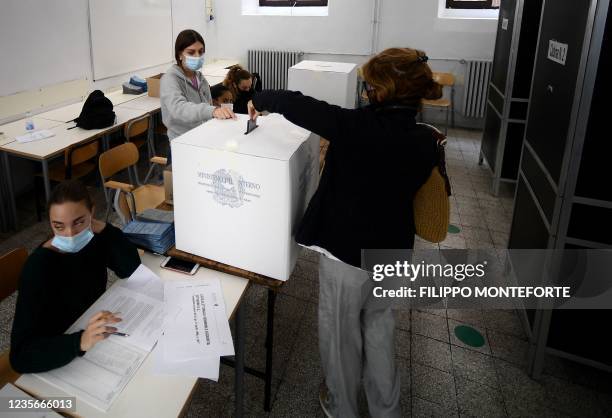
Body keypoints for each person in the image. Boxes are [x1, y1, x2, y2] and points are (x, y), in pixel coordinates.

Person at [248, 48, 443, 417]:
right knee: (380, 330)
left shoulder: (357, 128)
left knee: (340, 336)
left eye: (369, 85)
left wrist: (258, 97)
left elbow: (297, 103)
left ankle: (342, 406)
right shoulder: (425, 139)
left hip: (347, 255)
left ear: (383, 91)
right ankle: (387, 409)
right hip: (394, 254)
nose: (365, 91)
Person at [10, 180, 141, 373]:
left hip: (92, 327)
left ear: (92, 213)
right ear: (50, 223)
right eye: (59, 226)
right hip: (59, 348)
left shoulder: (93, 240)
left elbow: (131, 268)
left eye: (78, 222)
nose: (70, 234)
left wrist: (102, 228)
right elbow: (20, 357)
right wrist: (80, 341)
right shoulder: (38, 268)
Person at [160, 29, 235, 141]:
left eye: (201, 51)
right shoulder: (169, 79)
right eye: (191, 52)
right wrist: (212, 111)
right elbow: (179, 108)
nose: (197, 56)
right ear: (180, 54)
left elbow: (207, 103)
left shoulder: (200, 77)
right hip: (182, 141)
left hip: (203, 135)